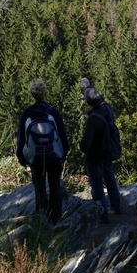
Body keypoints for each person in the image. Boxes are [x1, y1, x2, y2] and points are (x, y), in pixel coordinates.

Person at [17, 80, 68, 225]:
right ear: (45, 93)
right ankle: (56, 219)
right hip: (54, 155)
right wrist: (64, 154)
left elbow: (21, 138)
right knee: (55, 186)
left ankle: (42, 220)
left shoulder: (26, 114)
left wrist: (22, 158)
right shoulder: (53, 112)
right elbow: (62, 135)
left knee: (39, 187)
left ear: (32, 95)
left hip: (35, 156)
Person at [79, 78, 123, 222]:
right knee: (110, 178)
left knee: (97, 185)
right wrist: (89, 86)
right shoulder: (106, 108)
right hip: (107, 152)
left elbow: (85, 146)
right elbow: (99, 97)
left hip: (95, 157)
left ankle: (102, 215)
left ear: (87, 103)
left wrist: (80, 145)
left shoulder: (92, 119)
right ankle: (116, 207)